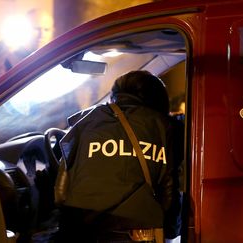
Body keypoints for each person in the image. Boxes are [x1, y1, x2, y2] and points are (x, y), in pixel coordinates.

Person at [54, 70, 183, 242]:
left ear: (114, 97)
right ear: (159, 100)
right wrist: (170, 231)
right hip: (139, 236)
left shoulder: (86, 122)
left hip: (85, 234)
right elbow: (169, 196)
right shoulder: (166, 128)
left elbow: (61, 193)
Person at [0, 8, 54, 86]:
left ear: (53, 31)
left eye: (46, 29)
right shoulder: (3, 54)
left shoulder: (59, 57)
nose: (42, 35)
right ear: (25, 29)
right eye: (36, 29)